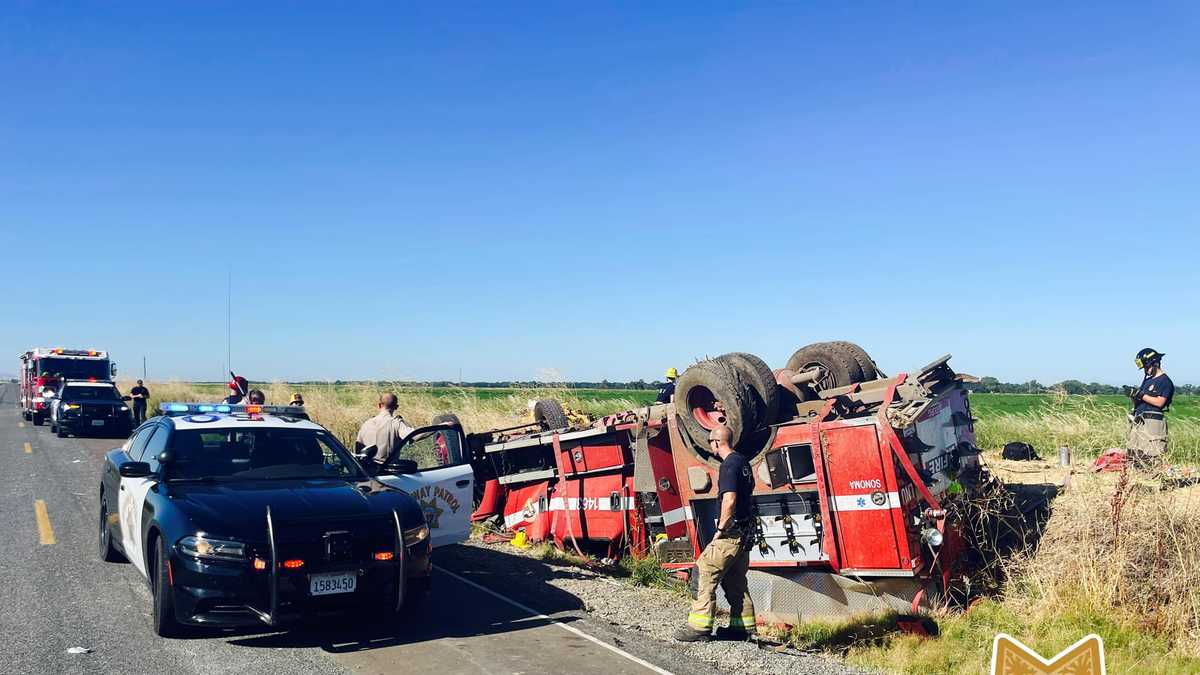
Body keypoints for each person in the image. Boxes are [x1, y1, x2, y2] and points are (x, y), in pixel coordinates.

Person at [676, 425, 756, 642]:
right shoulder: (743, 462)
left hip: (730, 534)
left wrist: (720, 529)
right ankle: (742, 628)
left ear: (717, 443)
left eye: (710, 442)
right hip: (745, 535)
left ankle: (699, 628)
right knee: (735, 581)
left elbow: (729, 500)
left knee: (703, 571)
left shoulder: (728, 466)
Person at [1126, 347, 1174, 469]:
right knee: (1134, 453)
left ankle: (1153, 482)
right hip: (1139, 420)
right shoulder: (1147, 381)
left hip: (1153, 422)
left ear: (1155, 363)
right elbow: (1139, 402)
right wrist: (1133, 395)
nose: (1145, 371)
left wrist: (1141, 394)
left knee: (1152, 455)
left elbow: (1160, 403)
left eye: (1147, 367)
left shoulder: (1165, 381)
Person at [354, 393, 415, 468]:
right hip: (387, 471)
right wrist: (432, 429)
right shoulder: (396, 423)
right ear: (396, 407)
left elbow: (358, 450)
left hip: (366, 471)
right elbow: (414, 436)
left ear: (379, 405)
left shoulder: (366, 424)